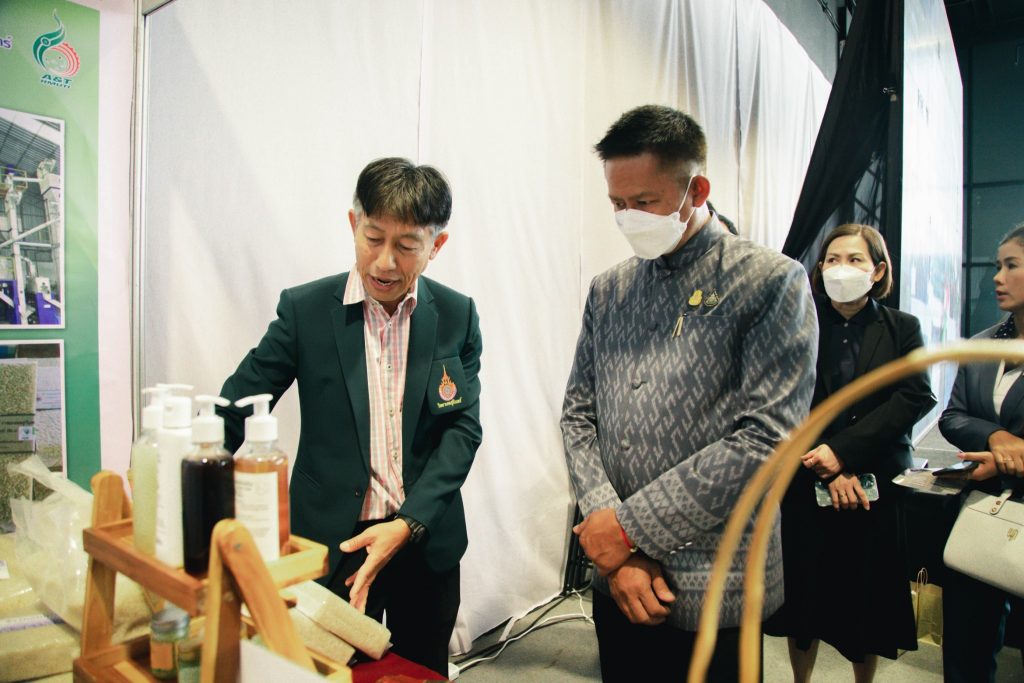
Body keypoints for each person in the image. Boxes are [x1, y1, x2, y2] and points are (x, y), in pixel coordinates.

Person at [560, 104, 818, 681]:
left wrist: (629, 529)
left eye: (644, 201)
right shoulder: (610, 289)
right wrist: (609, 531)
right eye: (617, 204)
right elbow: (578, 414)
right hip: (616, 575)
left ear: (696, 190)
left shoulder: (768, 281)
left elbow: (767, 439)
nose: (628, 217)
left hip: (716, 578)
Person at [217, 157, 482, 675]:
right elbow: (238, 404)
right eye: (372, 238)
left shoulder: (457, 315)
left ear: (436, 245)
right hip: (332, 543)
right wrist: (184, 470)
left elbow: (462, 430)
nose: (384, 262)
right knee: (323, 671)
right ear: (353, 224)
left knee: (419, 672)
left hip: (423, 541)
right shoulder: (306, 311)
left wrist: (408, 524)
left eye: (406, 246)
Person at [763, 224, 936, 682]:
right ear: (819, 269)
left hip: (872, 486)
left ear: (878, 270)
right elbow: (783, 399)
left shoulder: (902, 328)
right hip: (806, 481)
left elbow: (914, 396)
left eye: (855, 259)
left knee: (866, 605)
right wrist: (826, 467)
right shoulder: (797, 324)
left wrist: (843, 455)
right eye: (833, 259)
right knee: (803, 602)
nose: (842, 268)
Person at [938, 223, 1024, 683]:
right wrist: (995, 436)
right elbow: (953, 417)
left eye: (1011, 266)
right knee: (967, 647)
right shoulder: (980, 345)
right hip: (981, 512)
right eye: (997, 265)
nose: (996, 277)